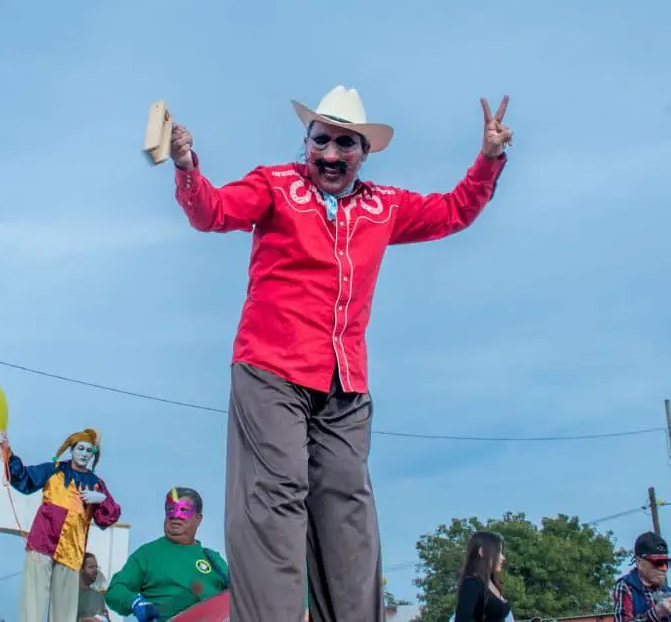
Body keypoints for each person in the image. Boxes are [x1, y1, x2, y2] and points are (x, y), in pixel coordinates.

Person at [168, 85, 511, 622]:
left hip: (344, 384)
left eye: (344, 144)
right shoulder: (275, 186)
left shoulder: (383, 206)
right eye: (320, 141)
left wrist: (488, 160)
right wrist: (188, 166)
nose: (330, 155)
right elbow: (212, 211)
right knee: (276, 498)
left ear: (363, 152)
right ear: (305, 142)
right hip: (271, 369)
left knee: (347, 510)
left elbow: (451, 212)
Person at [0, 428, 122, 622]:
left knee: (65, 611)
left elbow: (108, 517)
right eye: (80, 448)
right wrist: (7, 451)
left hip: (72, 550)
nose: (83, 454)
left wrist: (102, 499)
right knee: (33, 603)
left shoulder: (95, 483)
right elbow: (24, 478)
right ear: (71, 450)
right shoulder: (54, 470)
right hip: (42, 543)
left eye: (89, 451)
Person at [105, 488, 229, 621]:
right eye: (170, 509)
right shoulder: (147, 554)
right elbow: (115, 591)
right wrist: (134, 602)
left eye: (184, 510)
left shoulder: (213, 559)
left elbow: (241, 596)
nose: (175, 515)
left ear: (198, 519)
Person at [453, 531, 510, 622]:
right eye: (498, 552)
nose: (503, 558)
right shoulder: (472, 584)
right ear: (482, 552)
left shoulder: (491, 583)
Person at [78, 553, 110, 622]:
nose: (95, 570)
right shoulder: (72, 594)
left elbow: (104, 617)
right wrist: (84, 620)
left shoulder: (99, 595)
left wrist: (107, 618)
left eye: (96, 567)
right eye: (91, 567)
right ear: (81, 569)